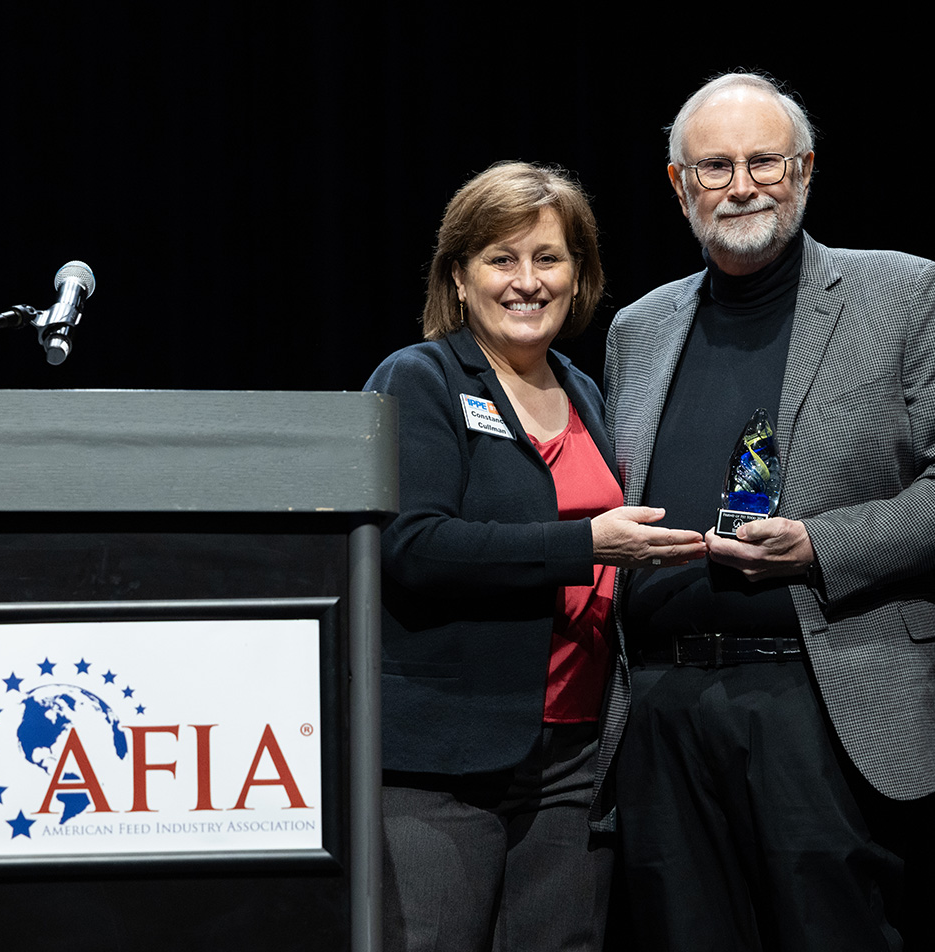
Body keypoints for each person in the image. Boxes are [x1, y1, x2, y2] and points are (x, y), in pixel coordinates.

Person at [603, 72, 935, 951]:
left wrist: (818, 546)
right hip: (665, 701)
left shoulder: (902, 293)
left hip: (822, 693)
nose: (742, 184)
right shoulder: (638, 328)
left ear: (806, 170)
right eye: (715, 167)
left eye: (766, 161)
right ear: (679, 188)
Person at [364, 161, 706, 952]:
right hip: (447, 759)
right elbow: (408, 545)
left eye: (548, 258)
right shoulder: (421, 379)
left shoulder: (586, 391)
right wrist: (587, 546)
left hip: (574, 755)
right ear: (458, 278)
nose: (527, 281)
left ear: (578, 275)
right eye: (500, 259)